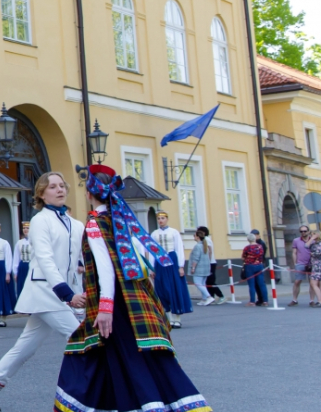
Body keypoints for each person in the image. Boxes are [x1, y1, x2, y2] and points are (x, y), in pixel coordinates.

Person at [53, 165, 211, 412]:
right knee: (134, 357)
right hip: (136, 297)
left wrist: (105, 308)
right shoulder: (121, 219)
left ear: (89, 193)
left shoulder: (95, 223)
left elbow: (105, 268)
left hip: (114, 304)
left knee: (118, 357)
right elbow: (141, 257)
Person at [0, 172, 83, 412]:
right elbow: (44, 258)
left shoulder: (77, 224)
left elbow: (76, 262)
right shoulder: (40, 220)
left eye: (62, 186)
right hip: (44, 291)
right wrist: (67, 294)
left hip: (61, 292)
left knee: (25, 347)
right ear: (41, 194)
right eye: (52, 187)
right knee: (81, 339)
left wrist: (79, 290)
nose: (59, 189)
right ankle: (86, 400)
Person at [148, 212, 191, 328]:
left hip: (172, 260)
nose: (160, 220)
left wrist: (181, 266)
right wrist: (151, 268)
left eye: (162, 218)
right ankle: (168, 319)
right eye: (158, 218)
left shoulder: (174, 232)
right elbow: (152, 251)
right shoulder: (154, 234)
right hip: (159, 261)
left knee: (173, 288)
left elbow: (179, 249)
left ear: (167, 219)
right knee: (162, 288)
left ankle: (177, 318)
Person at [188, 226, 216, 306]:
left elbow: (196, 258)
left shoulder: (197, 246)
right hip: (205, 267)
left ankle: (208, 296)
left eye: (194, 236)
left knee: (198, 283)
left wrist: (193, 268)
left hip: (199, 268)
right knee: (203, 283)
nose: (194, 237)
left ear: (197, 237)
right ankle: (204, 299)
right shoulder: (204, 245)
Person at [288, 224, 312, 306]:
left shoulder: (313, 240)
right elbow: (294, 252)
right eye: (301, 231)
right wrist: (295, 263)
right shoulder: (296, 240)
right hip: (300, 263)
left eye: (305, 231)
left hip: (311, 264)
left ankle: (311, 300)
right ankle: (294, 300)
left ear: (308, 232)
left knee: (312, 282)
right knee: (297, 282)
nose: (303, 233)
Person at [241, 231, 267, 306]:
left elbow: (243, 257)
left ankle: (252, 301)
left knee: (251, 285)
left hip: (250, 266)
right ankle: (265, 301)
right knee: (261, 284)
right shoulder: (260, 246)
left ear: (248, 239)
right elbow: (262, 255)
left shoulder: (247, 248)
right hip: (259, 265)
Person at [307, 230, 321, 307]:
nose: (312, 236)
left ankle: (320, 301)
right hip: (315, 265)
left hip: (318, 265)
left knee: (313, 283)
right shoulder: (314, 243)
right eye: (311, 234)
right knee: (319, 284)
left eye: (314, 234)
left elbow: (318, 254)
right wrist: (311, 239)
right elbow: (306, 246)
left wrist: (311, 254)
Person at [14, 222, 32, 300]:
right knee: (22, 286)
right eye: (24, 228)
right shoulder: (19, 242)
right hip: (22, 266)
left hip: (31, 266)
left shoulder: (34, 241)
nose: (25, 230)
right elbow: (16, 257)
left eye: (27, 228)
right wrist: (15, 272)